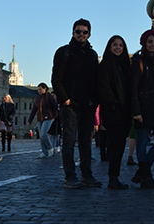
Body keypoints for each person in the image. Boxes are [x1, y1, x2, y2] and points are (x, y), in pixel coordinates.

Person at [52, 18, 101, 189]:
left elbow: (95, 79)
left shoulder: (93, 55)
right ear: (73, 33)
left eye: (85, 32)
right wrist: (64, 99)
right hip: (70, 104)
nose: (81, 34)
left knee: (86, 142)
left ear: (89, 34)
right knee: (69, 141)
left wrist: (95, 101)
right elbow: (56, 79)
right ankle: (70, 176)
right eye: (78, 31)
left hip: (88, 104)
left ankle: (87, 176)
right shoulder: (64, 52)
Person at [130, 29, 154, 189]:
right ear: (144, 43)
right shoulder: (138, 61)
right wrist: (136, 111)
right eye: (150, 41)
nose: (153, 44)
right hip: (144, 108)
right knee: (143, 141)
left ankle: (142, 172)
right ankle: (146, 177)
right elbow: (133, 88)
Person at [98, 35, 132, 190]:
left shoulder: (125, 64)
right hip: (113, 111)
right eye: (115, 45)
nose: (118, 47)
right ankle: (113, 178)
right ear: (109, 47)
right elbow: (104, 87)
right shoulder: (106, 64)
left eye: (121, 45)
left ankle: (114, 177)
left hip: (124, 111)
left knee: (118, 144)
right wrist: (113, 104)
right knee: (117, 144)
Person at [28, 83, 59, 158]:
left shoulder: (49, 97)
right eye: (38, 89)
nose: (39, 91)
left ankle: (50, 148)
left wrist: (54, 116)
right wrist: (30, 120)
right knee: (41, 137)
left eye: (40, 89)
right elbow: (34, 110)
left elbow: (55, 106)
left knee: (43, 134)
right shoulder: (38, 98)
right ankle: (44, 152)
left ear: (45, 89)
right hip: (40, 118)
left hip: (48, 118)